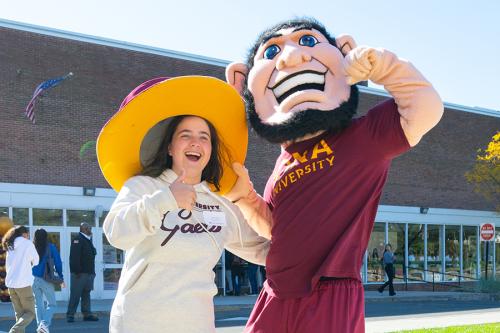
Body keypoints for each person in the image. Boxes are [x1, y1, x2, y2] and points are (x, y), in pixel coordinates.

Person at [225, 18, 444, 332]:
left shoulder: (364, 136)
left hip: (331, 292)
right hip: (275, 292)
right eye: (272, 51)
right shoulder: (283, 161)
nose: (291, 57)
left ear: (343, 51)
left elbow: (426, 108)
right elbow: (275, 228)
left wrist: (383, 64)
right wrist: (246, 199)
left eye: (308, 41)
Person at [97, 76, 269, 333]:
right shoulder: (143, 186)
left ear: (210, 149)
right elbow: (116, 233)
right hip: (138, 324)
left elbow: (264, 249)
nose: (195, 143)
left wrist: (248, 199)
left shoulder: (219, 203)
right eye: (185, 135)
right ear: (170, 147)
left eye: (204, 137)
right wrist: (166, 199)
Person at [2, 225, 39, 333]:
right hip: (23, 284)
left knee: (20, 315)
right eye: (28, 234)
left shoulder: (10, 244)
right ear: (24, 234)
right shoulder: (27, 244)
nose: (28, 236)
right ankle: (14, 331)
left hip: (11, 284)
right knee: (30, 313)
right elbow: (36, 260)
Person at [32, 228, 64, 333]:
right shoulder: (51, 247)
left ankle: (40, 328)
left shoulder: (31, 248)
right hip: (46, 279)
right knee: (52, 304)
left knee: (38, 305)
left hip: (33, 279)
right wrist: (61, 277)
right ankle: (44, 324)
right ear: (46, 237)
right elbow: (58, 263)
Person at [66, 223, 98, 322]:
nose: (91, 229)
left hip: (89, 273)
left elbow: (91, 254)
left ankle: (87, 314)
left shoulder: (88, 240)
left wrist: (92, 273)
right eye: (89, 228)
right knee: (75, 295)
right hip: (79, 274)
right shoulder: (78, 239)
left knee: (86, 294)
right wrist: (76, 271)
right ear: (84, 229)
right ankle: (70, 315)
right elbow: (74, 257)